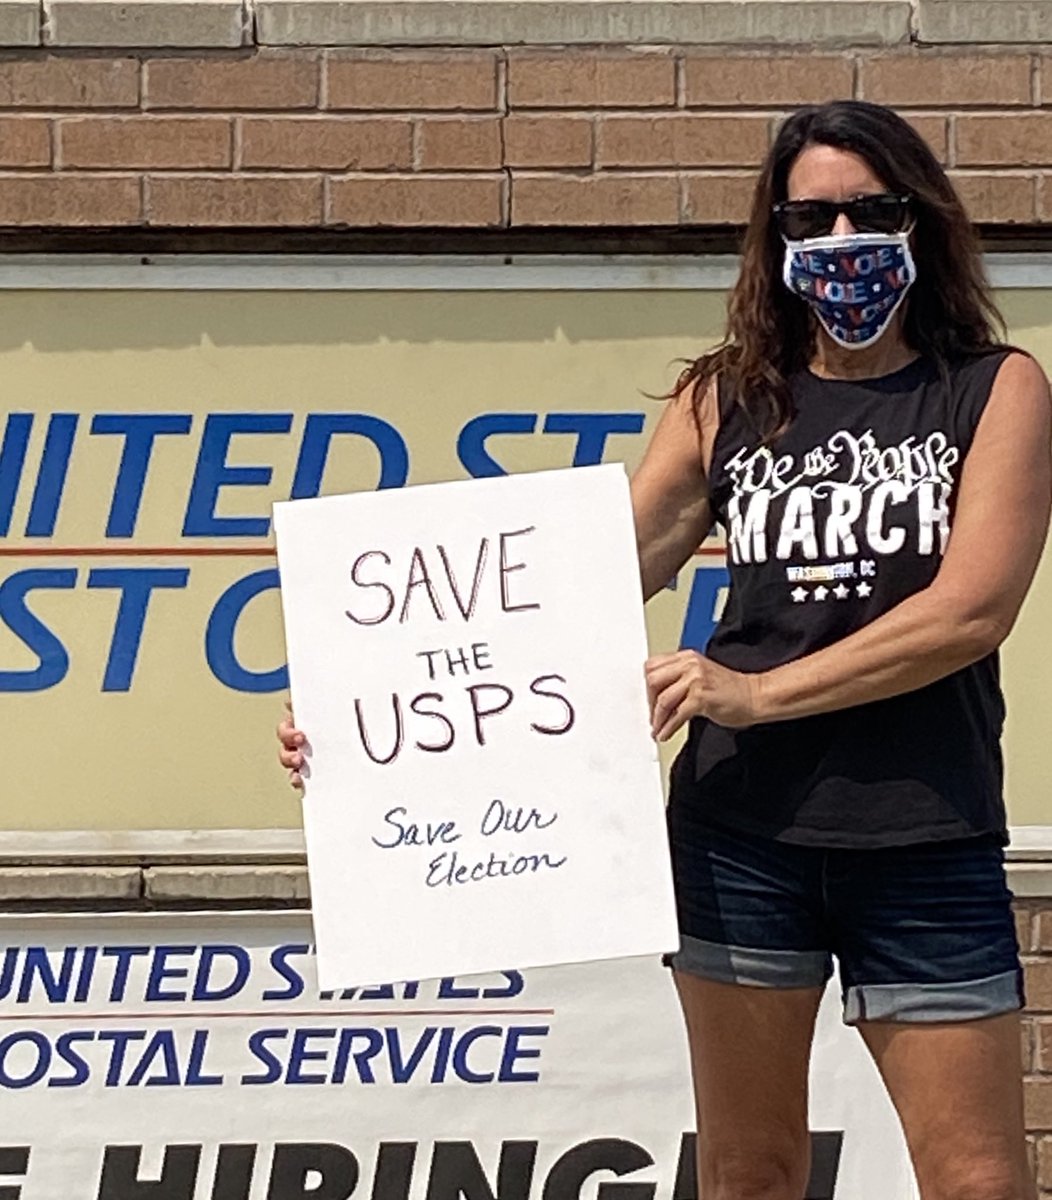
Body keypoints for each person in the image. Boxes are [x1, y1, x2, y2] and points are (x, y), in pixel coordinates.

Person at [279, 99, 1051, 1200]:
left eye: (869, 212)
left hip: (924, 830)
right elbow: (559, 588)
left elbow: (967, 613)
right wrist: (360, 710)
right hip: (738, 842)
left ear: (920, 220)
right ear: (773, 236)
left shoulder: (992, 389)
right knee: (749, 1172)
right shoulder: (723, 397)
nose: (841, 243)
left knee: (976, 1179)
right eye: (810, 218)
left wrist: (756, 692)